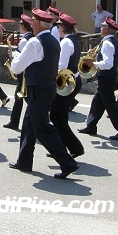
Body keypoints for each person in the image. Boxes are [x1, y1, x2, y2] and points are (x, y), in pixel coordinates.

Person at [8, 8, 79, 179]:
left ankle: (67, 162)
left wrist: (15, 57)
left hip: (37, 89)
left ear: (38, 24)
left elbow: (17, 67)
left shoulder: (35, 42)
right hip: (46, 88)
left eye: (33, 21)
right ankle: (24, 160)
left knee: (42, 128)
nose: (31, 23)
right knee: (28, 124)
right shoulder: (54, 40)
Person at [78, 18, 118, 140]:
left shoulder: (107, 43)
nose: (100, 28)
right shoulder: (112, 42)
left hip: (106, 77)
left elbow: (108, 63)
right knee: (97, 101)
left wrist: (94, 64)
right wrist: (96, 54)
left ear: (107, 29)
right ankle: (91, 125)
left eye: (102, 26)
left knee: (111, 106)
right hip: (108, 77)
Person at [49, 12, 84, 158]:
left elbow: (61, 66)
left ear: (63, 27)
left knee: (56, 117)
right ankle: (62, 148)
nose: (57, 29)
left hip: (67, 83)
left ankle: (75, 147)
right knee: (61, 116)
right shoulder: (73, 40)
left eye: (58, 26)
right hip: (74, 80)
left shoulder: (65, 42)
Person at [3, 14, 34, 130]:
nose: (19, 26)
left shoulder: (24, 41)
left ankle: (15, 122)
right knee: (20, 96)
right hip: (26, 72)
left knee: (23, 96)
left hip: (24, 73)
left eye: (20, 24)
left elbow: (22, 58)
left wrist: (13, 55)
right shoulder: (30, 37)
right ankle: (14, 121)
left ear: (23, 26)